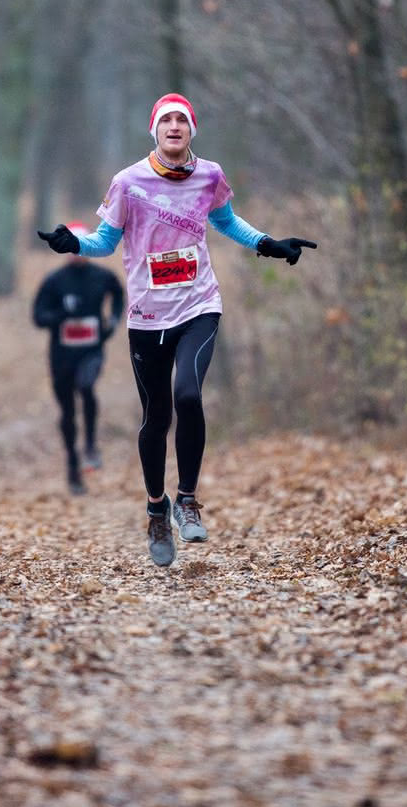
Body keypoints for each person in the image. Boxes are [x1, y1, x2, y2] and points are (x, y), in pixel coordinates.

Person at [38, 93, 315, 566]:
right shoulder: (128, 182)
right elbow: (105, 241)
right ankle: (156, 509)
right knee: (157, 416)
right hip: (147, 315)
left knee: (188, 395)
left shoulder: (210, 175)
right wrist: (72, 243)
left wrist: (268, 243)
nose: (173, 126)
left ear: (191, 130)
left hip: (198, 305)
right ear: (154, 129)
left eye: (181, 120)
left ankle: (187, 499)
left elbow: (227, 221)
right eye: (165, 119)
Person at [31, 225, 125, 496]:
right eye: (70, 247)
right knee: (68, 413)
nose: (75, 253)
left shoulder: (103, 276)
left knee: (87, 387)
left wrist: (114, 320)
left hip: (91, 350)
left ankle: (91, 445)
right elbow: (38, 317)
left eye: (79, 245)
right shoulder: (54, 281)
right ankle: (73, 466)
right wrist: (59, 317)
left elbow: (118, 294)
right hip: (62, 356)